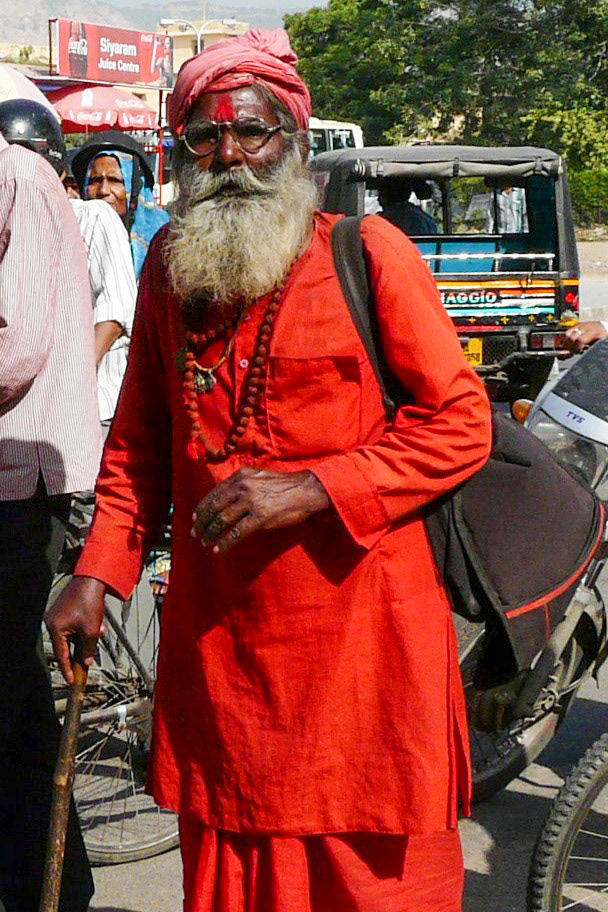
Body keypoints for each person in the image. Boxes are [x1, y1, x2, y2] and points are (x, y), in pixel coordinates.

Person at [48, 28, 492, 912]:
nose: (231, 156)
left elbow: (462, 422)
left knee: (372, 882)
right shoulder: (171, 277)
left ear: (293, 141)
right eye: (205, 138)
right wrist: (97, 573)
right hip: (225, 653)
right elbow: (138, 448)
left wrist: (315, 485)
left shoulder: (367, 256)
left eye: (252, 133)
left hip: (363, 651)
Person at [0, 101, 99, 912]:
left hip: (20, 476)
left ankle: (53, 892)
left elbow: (19, 344)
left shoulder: (18, 177)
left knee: (9, 701)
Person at [71, 131, 170, 280]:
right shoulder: (71, 240)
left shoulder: (165, 245)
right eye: (95, 180)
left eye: (115, 180)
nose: (103, 190)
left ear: (136, 188)